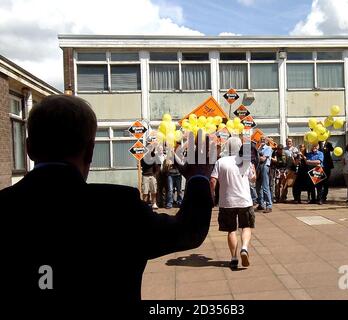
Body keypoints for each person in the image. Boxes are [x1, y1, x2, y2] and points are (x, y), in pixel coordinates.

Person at [0, 95, 213, 307]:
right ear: (91, 150)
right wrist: (199, 177)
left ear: (28, 148)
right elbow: (189, 231)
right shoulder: (119, 207)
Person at [210, 137, 256, 270]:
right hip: (244, 200)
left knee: (231, 230)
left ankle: (234, 258)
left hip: (227, 202)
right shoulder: (245, 161)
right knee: (246, 226)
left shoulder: (220, 161)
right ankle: (244, 248)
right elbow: (253, 180)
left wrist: (212, 195)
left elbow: (213, 181)